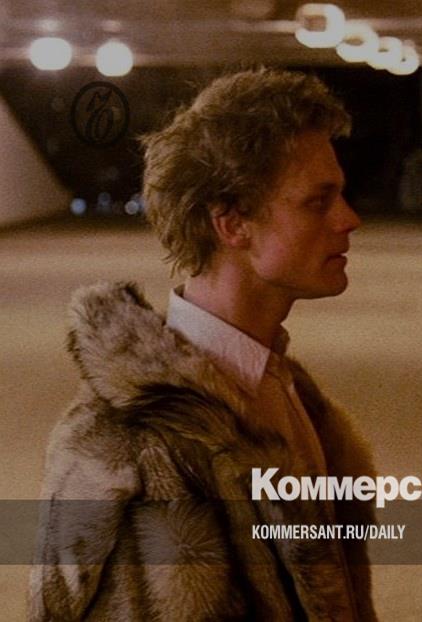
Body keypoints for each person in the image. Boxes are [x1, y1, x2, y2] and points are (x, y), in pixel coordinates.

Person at [29, 67, 378, 621]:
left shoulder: (289, 393)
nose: (349, 219)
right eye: (318, 201)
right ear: (232, 224)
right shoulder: (128, 450)